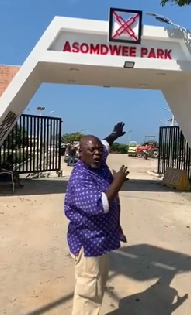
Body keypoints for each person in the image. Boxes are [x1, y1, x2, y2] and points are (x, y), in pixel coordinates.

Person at [65, 127, 129, 315]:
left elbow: (105, 144)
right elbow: (100, 204)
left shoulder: (98, 162)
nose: (97, 153)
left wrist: (115, 134)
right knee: (88, 287)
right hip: (88, 241)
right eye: (91, 150)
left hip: (102, 239)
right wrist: (118, 181)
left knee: (99, 281)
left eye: (98, 150)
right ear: (80, 153)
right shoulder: (80, 178)